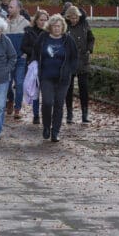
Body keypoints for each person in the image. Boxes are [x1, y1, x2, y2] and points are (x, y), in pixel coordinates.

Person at [30, 14, 78, 142]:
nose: (56, 28)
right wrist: (34, 65)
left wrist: (71, 71)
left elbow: (74, 57)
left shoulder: (68, 40)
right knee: (47, 102)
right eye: (54, 26)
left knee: (58, 104)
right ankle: (46, 126)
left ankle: (55, 131)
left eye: (59, 26)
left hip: (63, 79)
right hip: (46, 76)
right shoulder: (43, 37)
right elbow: (35, 52)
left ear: (62, 27)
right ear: (50, 27)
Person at [64, 5, 95, 124]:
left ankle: (85, 113)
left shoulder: (84, 24)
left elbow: (91, 38)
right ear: (68, 17)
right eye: (71, 18)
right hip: (69, 60)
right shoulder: (65, 26)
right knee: (69, 88)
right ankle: (69, 113)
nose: (74, 20)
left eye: (76, 17)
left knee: (84, 88)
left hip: (83, 60)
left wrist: (89, 49)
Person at [22, 9, 49, 124]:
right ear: (36, 20)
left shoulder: (50, 33)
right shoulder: (29, 32)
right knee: (35, 90)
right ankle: (36, 114)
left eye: (45, 20)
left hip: (47, 64)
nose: (43, 22)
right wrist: (34, 51)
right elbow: (23, 47)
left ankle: (46, 114)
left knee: (47, 91)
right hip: (33, 63)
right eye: (41, 20)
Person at [4, 0, 30, 119]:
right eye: (9, 7)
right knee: (8, 84)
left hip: (20, 59)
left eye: (12, 7)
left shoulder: (26, 24)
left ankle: (17, 108)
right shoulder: (3, 23)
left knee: (19, 83)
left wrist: (26, 54)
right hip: (7, 60)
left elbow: (30, 40)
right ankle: (10, 99)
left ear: (19, 9)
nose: (9, 9)